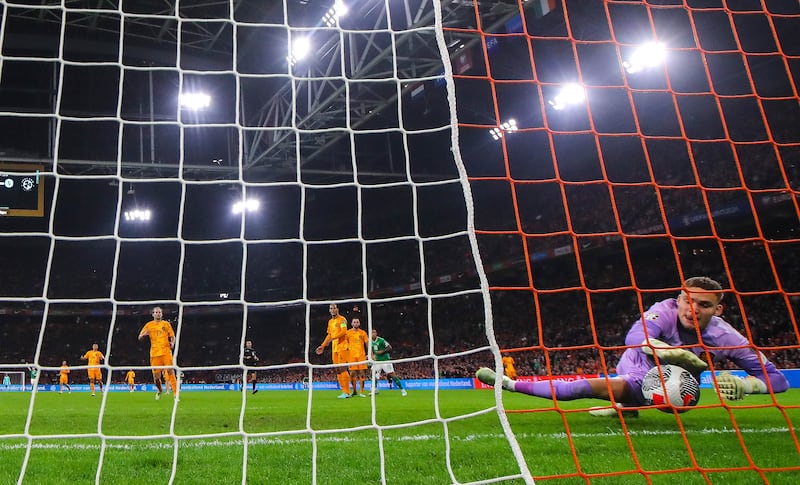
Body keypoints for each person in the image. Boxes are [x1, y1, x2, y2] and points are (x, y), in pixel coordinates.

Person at [476, 276, 790, 417]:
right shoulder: (663, 311)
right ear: (677, 299)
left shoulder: (726, 337)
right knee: (584, 387)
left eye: (704, 305)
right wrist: (668, 352)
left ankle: (626, 408)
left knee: (677, 399)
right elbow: (633, 339)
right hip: (637, 366)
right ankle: (509, 384)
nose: (692, 310)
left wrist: (747, 384)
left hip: (674, 383)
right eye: (687, 301)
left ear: (718, 310)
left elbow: (778, 380)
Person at [138, 306, 179, 401]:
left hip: (166, 352)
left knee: (170, 371)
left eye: (159, 312)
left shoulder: (166, 324)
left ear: (162, 314)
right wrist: (144, 335)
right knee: (156, 377)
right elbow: (139, 337)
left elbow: (172, 336)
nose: (158, 313)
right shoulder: (148, 325)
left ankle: (176, 394)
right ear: (153, 314)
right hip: (154, 354)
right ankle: (160, 390)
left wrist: (172, 343)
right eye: (156, 312)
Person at [315, 303, 351, 399]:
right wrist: (323, 346)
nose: (333, 310)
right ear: (329, 310)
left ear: (337, 309)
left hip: (343, 347)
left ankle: (347, 392)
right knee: (337, 369)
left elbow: (343, 332)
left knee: (343, 368)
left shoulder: (342, 319)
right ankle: (344, 391)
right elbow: (329, 335)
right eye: (331, 308)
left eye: (334, 308)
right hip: (334, 348)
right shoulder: (330, 322)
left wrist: (333, 337)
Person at [370, 329, 407, 396]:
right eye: (371, 333)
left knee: (392, 375)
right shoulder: (370, 342)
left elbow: (389, 347)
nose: (373, 334)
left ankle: (402, 389)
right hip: (377, 361)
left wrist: (382, 351)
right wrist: (372, 356)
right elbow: (372, 350)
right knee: (372, 373)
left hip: (385, 360)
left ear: (376, 333)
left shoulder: (381, 340)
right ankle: (375, 389)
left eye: (374, 332)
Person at [346, 317, 370, 397]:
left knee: (362, 373)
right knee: (352, 374)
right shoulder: (348, 333)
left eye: (357, 322)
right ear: (352, 323)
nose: (356, 323)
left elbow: (367, 343)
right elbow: (344, 344)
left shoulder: (363, 333)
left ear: (359, 323)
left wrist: (370, 353)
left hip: (361, 356)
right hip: (351, 356)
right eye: (354, 322)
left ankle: (362, 392)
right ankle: (354, 391)